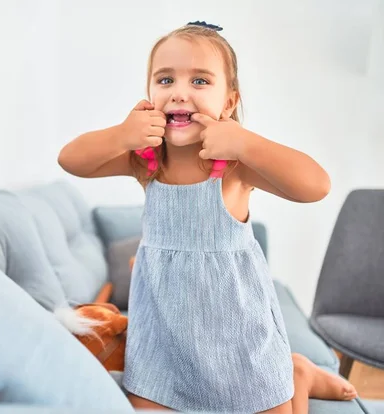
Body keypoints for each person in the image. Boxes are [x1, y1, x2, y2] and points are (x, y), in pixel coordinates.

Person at [58, 21, 357, 413]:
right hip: (165, 341)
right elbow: (71, 160)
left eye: (200, 82)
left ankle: (297, 371)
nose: (180, 93)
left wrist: (246, 142)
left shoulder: (237, 166)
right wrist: (121, 134)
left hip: (238, 333)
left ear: (229, 102)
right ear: (149, 94)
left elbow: (316, 185)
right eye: (165, 80)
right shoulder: (144, 161)